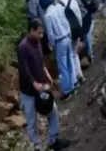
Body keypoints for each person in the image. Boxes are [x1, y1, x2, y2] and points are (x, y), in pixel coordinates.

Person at [18, 19, 70, 151]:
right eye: (39, 33)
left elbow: (40, 61)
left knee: (53, 110)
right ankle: (37, 146)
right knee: (31, 119)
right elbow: (24, 68)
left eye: (42, 33)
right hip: (28, 90)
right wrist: (34, 82)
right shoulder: (23, 47)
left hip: (42, 85)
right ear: (31, 30)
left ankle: (53, 140)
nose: (42, 36)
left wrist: (47, 74)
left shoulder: (38, 42)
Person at [40, 0, 75, 100]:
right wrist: (69, 34)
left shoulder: (47, 15)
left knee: (63, 67)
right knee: (70, 62)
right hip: (68, 37)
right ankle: (73, 84)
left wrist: (52, 45)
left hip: (60, 41)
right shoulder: (59, 7)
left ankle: (67, 91)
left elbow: (50, 34)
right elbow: (67, 22)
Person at [58, 0, 84, 86]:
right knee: (74, 54)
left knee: (70, 56)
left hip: (67, 33)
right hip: (77, 30)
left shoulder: (59, 4)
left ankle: (75, 78)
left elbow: (61, 21)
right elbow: (79, 16)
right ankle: (80, 75)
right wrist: (80, 29)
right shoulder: (72, 1)